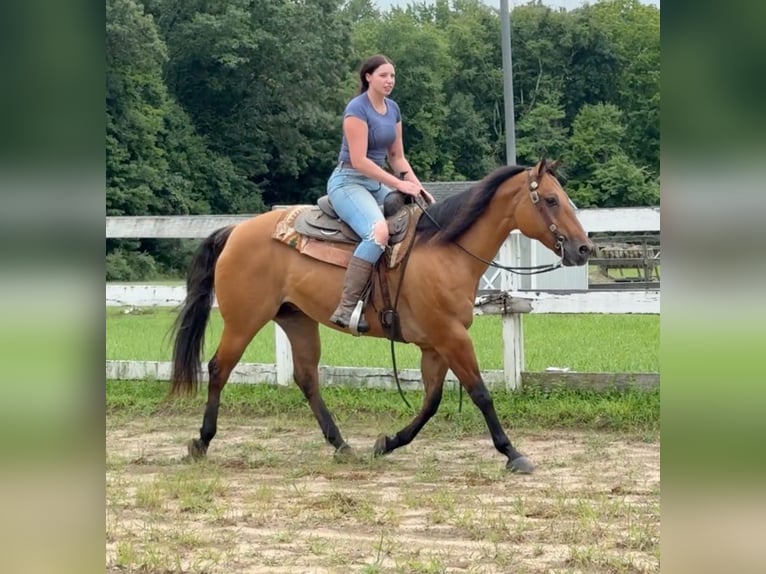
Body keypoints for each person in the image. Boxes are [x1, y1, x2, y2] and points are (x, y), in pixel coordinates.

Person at [327, 54, 435, 334]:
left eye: (392, 76)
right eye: (383, 75)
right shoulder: (356, 109)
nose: (389, 81)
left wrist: (420, 188)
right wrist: (399, 185)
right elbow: (360, 161)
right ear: (368, 78)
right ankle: (347, 306)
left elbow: (397, 157)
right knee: (378, 233)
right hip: (349, 181)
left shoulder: (393, 109)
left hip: (376, 182)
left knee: (416, 219)